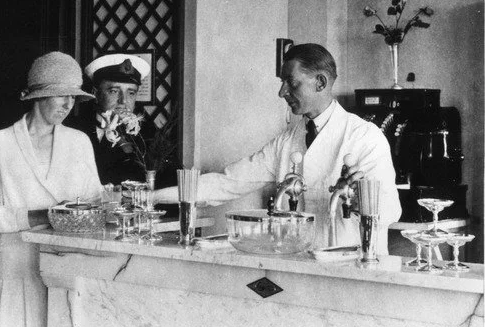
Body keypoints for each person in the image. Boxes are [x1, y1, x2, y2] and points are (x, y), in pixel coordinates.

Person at [155, 43, 401, 254]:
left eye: (291, 83)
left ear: (321, 82)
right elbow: (227, 182)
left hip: (351, 266)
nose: (282, 91)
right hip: (302, 263)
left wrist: (359, 199)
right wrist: (151, 197)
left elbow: (391, 211)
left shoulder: (364, 137)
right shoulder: (287, 141)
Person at [0, 51, 103, 327]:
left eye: (73, 97)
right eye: (61, 96)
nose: (68, 105)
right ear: (38, 96)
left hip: (68, 265)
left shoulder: (79, 142)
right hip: (17, 266)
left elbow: (95, 206)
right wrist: (42, 215)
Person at [67, 53, 153, 185]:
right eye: (114, 91)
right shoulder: (74, 128)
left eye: (131, 93)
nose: (123, 101)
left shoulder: (146, 129)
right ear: (96, 93)